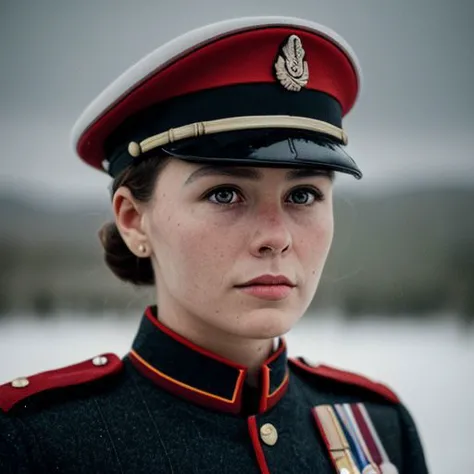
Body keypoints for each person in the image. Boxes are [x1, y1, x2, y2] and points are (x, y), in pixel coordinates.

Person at [0, 16, 428, 474]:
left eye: (303, 195)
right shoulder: (36, 443)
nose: (276, 238)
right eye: (224, 193)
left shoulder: (380, 428)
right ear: (133, 220)